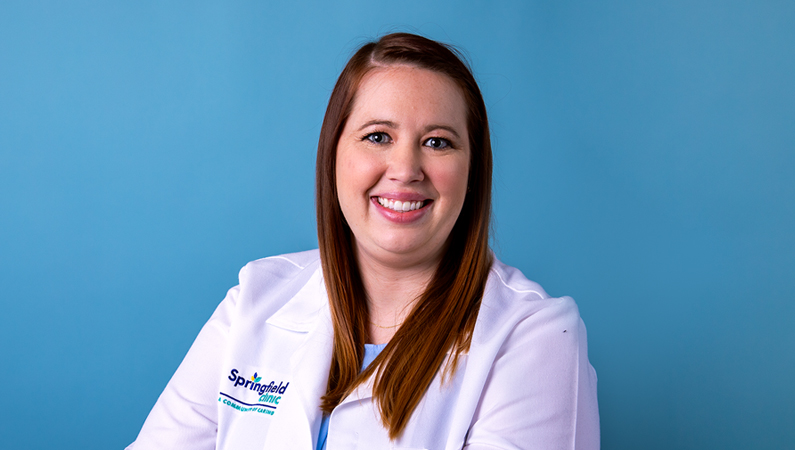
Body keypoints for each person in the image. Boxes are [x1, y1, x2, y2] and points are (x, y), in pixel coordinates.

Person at [127, 32, 599, 450]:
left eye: (437, 142)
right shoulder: (254, 300)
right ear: (334, 155)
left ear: (473, 172)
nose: (405, 170)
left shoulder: (534, 337)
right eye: (377, 136)